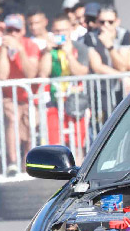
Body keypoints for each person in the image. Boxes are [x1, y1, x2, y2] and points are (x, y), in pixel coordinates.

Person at [0, 13, 41, 175]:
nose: (13, 33)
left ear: (22, 31)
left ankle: (26, 165)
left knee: (30, 129)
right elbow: (1, 75)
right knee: (13, 118)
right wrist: (3, 50)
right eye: (10, 30)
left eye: (17, 30)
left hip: (28, 98)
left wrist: (20, 50)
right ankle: (13, 162)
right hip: (10, 98)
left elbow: (31, 73)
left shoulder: (30, 45)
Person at [39, 17, 92, 154]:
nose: (60, 34)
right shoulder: (47, 50)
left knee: (77, 145)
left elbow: (81, 73)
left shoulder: (79, 47)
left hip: (75, 102)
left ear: (70, 30)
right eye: (57, 31)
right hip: (53, 101)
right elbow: (44, 73)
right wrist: (47, 52)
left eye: (63, 30)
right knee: (55, 145)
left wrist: (68, 54)